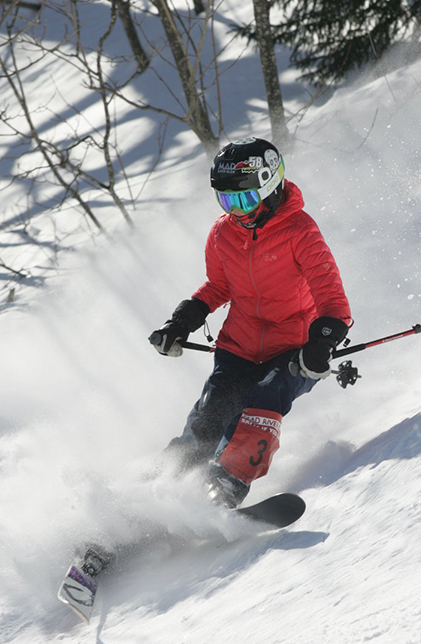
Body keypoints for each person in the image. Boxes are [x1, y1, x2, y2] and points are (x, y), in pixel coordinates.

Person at [149, 136, 352, 507]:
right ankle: (159, 487)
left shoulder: (301, 232)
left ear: (271, 186)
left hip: (293, 351)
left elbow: (333, 301)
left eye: (244, 199)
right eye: (227, 201)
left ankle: (226, 483)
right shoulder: (222, 232)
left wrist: (321, 344)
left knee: (265, 398)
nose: (237, 211)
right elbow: (218, 286)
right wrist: (181, 322)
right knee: (213, 412)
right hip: (238, 347)